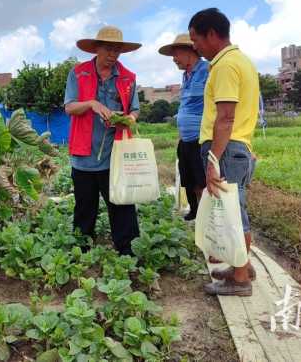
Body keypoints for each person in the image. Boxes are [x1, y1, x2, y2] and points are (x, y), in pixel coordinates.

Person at [188, 8, 260, 296]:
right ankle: (241, 266)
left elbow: (226, 117)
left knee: (233, 215)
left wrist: (213, 160)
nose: (195, 46)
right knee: (235, 208)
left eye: (196, 39)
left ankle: (240, 279)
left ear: (212, 34)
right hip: (236, 148)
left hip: (227, 149)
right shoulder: (239, 61)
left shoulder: (226, 66)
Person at [64, 25, 141, 255]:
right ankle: (82, 250)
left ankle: (127, 251)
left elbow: (135, 110)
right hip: (84, 154)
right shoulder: (77, 73)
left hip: (115, 154)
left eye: (117, 50)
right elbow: (69, 107)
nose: (112, 55)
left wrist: (128, 118)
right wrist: (91, 104)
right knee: (84, 207)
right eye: (108, 49)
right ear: (96, 49)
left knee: (121, 204)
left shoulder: (128, 78)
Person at [158, 34, 209, 221]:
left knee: (202, 180)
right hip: (185, 139)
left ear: (190, 51)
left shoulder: (207, 70)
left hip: (201, 138)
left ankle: (206, 217)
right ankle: (195, 210)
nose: (174, 58)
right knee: (188, 179)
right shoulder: (185, 75)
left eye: (176, 53)